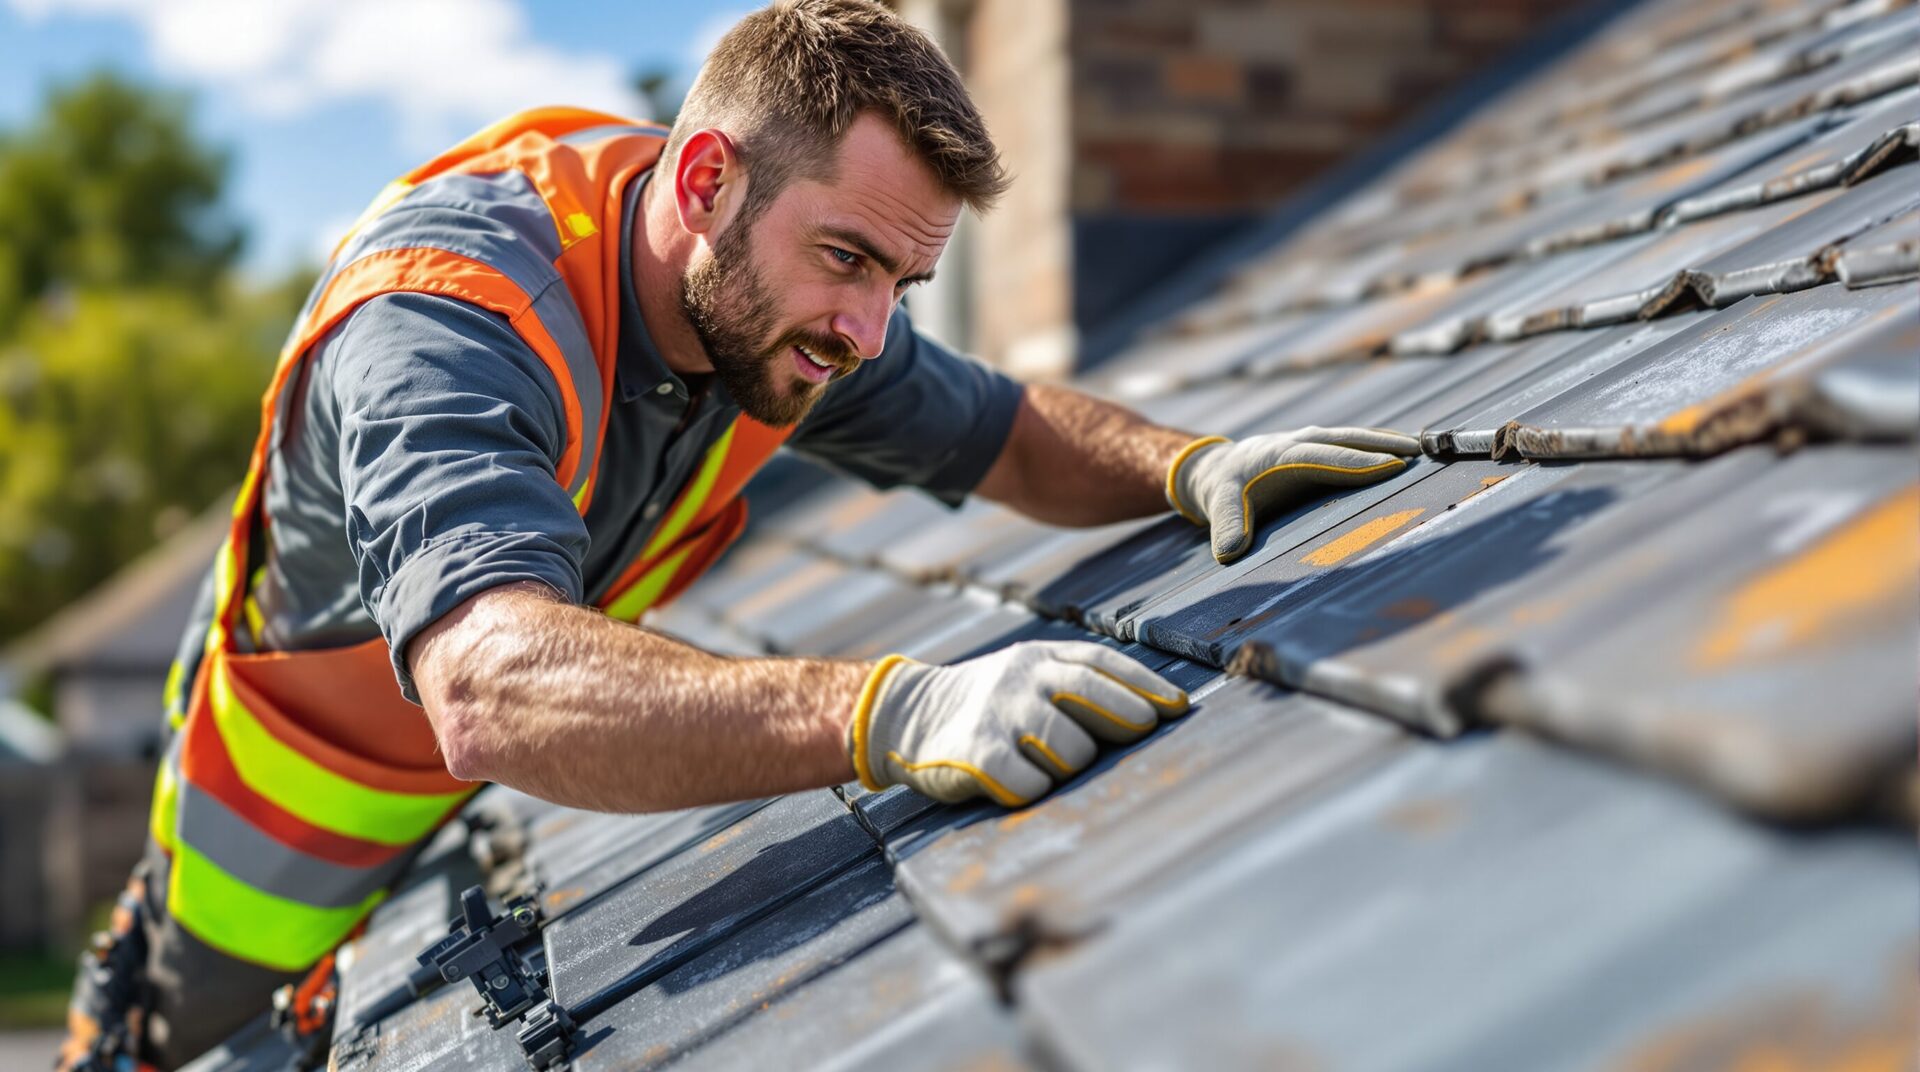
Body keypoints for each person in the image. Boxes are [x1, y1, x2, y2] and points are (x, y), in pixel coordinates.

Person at [58, 2, 1419, 1068]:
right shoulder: (444, 320)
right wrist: (892, 713)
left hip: (452, 857)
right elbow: (486, 684)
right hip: (242, 935)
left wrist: (1188, 464)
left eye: (905, 281)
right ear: (706, 179)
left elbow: (1002, 431)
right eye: (850, 260)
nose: (869, 331)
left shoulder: (774, 302)